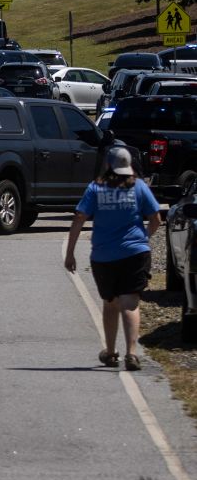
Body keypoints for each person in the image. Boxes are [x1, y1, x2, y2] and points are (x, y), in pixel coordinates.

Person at [65, 147, 161, 371]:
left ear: (108, 165)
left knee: (111, 303)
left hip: (104, 255)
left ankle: (110, 352)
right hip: (135, 253)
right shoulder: (139, 187)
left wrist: (70, 252)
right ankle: (132, 353)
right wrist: (144, 237)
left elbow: (80, 217)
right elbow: (155, 218)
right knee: (130, 303)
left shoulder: (96, 188)